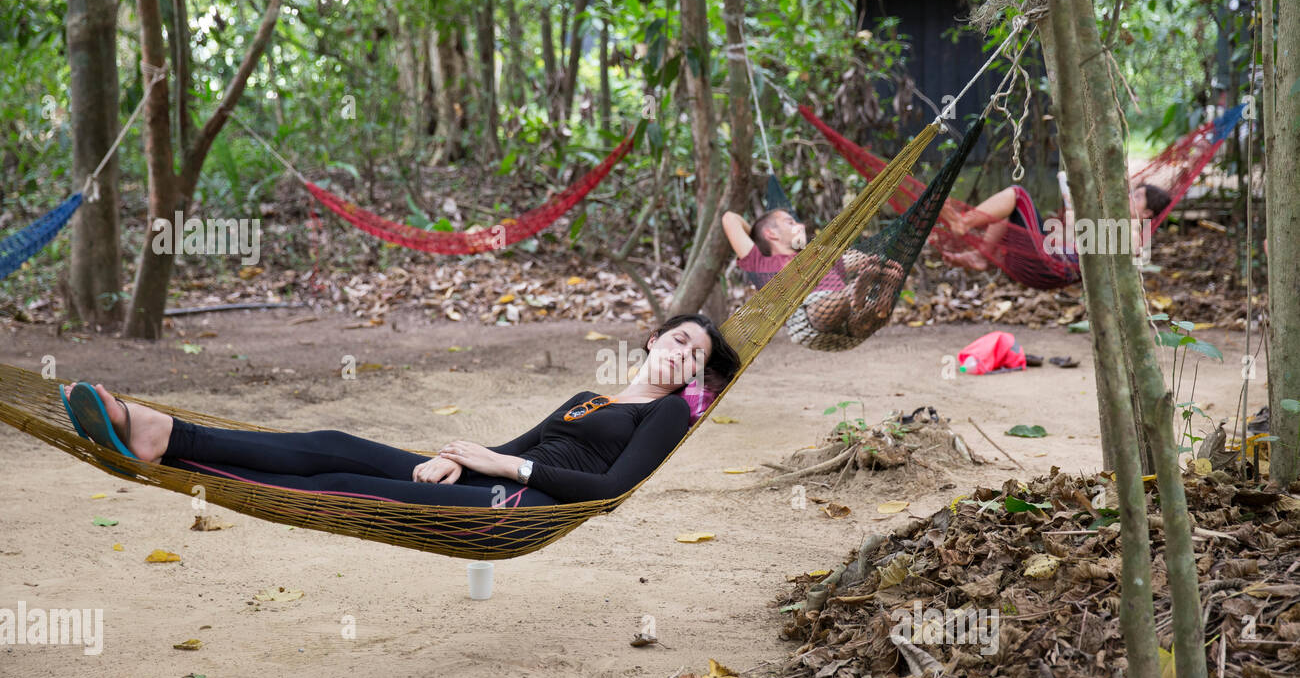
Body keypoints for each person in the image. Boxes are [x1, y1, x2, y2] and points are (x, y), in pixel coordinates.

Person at [61, 314, 740, 513]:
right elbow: (515, 440)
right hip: (489, 478)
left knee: (343, 489)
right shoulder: (590, 399)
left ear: (696, 379)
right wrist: (452, 458)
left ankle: (168, 449)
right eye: (678, 338)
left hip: (519, 507)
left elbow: (610, 491)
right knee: (333, 440)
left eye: (698, 355)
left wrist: (500, 464)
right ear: (652, 340)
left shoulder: (666, 418)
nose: (683, 353)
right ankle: (164, 434)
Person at [722, 207, 905, 341]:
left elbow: (861, 259)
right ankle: (855, 294)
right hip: (808, 320)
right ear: (771, 233)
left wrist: (877, 264)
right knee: (819, 308)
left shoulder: (815, 257)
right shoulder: (760, 262)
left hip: (847, 321)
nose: (800, 225)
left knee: (861, 318)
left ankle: (870, 299)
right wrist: (756, 234)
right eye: (790, 222)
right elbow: (730, 218)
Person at [944, 177, 1172, 272]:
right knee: (1007, 210)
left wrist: (1077, 219)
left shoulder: (1132, 235)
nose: (1129, 196)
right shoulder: (1116, 225)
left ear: (1147, 214)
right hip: (1048, 253)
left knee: (1018, 195)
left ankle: (963, 223)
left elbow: (1090, 254)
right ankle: (982, 255)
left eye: (1137, 197)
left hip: (1050, 264)